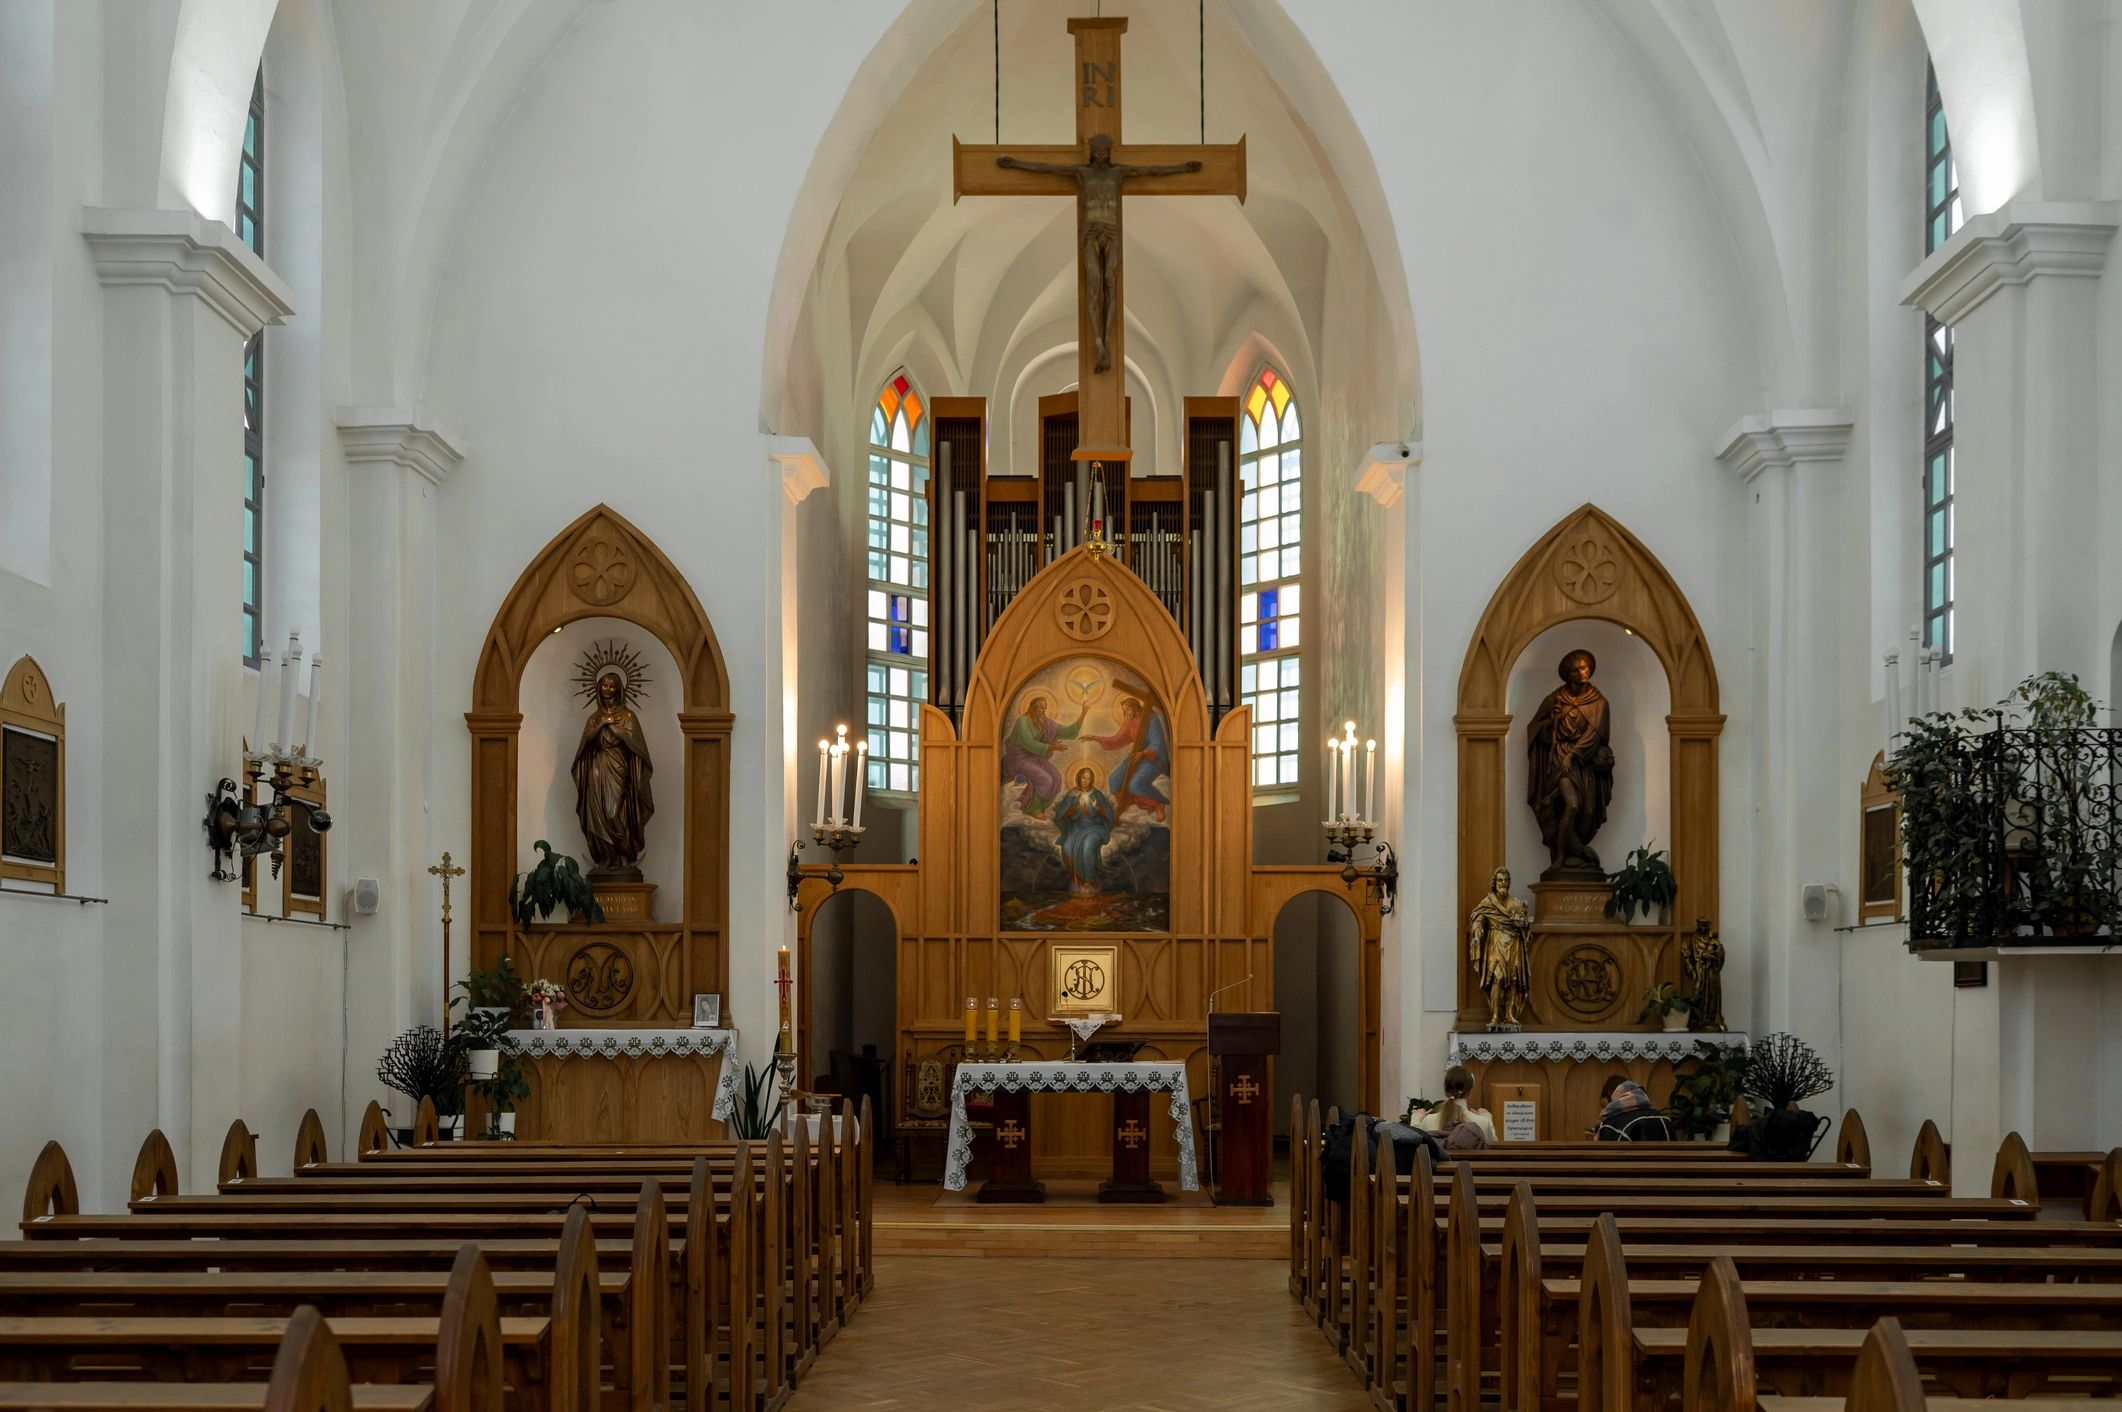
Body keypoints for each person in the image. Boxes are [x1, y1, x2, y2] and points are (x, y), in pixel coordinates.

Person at [571, 669, 654, 876]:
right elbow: (585, 744)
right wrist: (601, 725)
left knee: (612, 812)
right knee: (597, 815)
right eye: (604, 685)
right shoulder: (594, 718)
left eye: (611, 685)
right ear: (599, 688)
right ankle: (608, 857)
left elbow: (637, 746)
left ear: (619, 689)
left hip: (618, 767)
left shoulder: (627, 716)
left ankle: (625, 853)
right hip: (596, 769)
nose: (607, 689)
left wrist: (617, 730)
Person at [1092, 694, 1171, 821]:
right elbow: (1117, 739)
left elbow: (1157, 742)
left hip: (1153, 758)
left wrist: (1144, 753)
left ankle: (1158, 804)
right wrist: (1097, 738)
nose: (1126, 713)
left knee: (1135, 784)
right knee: (1114, 781)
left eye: (1127, 709)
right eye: (1124, 711)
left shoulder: (1151, 718)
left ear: (1135, 707)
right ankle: (1133, 804)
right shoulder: (1128, 722)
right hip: (1136, 756)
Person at [1002, 694, 1083, 817]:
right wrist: (1050, 746)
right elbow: (1028, 742)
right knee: (1046, 779)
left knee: (1056, 777)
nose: (1043, 710)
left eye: (1044, 708)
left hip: (1034, 758)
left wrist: (1083, 714)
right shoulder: (1022, 721)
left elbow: (1068, 732)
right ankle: (1032, 809)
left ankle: (1040, 806)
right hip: (1018, 759)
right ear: (1032, 708)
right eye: (1040, 707)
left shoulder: (1045, 723)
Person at [1053, 765, 1116, 892]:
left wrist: (1099, 808)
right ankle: (1078, 882)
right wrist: (1075, 806)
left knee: (1088, 845)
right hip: (1077, 827)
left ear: (1092, 780)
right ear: (1078, 778)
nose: (1086, 781)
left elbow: (1109, 814)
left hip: (1095, 827)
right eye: (1083, 778)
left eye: (1088, 779)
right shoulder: (1072, 794)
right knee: (1066, 847)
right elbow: (1060, 815)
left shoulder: (1097, 794)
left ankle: (1090, 880)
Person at [1413, 1065, 1497, 1146]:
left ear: (1445, 1090)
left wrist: (1416, 1119)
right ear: (1470, 1092)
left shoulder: (1428, 1121)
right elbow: (1493, 1146)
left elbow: (1415, 1143)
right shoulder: (1482, 1122)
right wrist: (1487, 1118)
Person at [1588, 1072, 1669, 1141]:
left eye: (1605, 1105)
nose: (1606, 1109)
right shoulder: (1664, 1118)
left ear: (1609, 1094)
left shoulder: (1609, 1124)